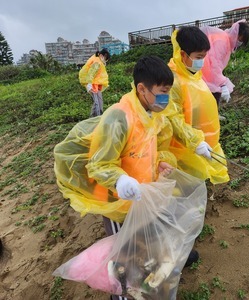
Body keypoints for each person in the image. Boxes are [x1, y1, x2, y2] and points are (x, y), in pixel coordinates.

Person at [55, 55, 183, 300]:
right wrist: (120, 181)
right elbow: (100, 164)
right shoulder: (118, 118)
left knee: (143, 246)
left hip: (142, 195)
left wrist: (160, 162)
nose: (166, 99)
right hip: (118, 202)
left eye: (168, 92)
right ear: (142, 89)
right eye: (162, 93)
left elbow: (147, 150)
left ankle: (143, 284)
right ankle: (122, 294)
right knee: (123, 251)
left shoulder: (152, 112)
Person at [161, 26, 230, 186]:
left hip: (202, 143)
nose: (202, 61)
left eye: (204, 56)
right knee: (184, 186)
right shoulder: (172, 80)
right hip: (181, 148)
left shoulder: (193, 74)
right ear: (183, 54)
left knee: (198, 182)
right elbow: (172, 117)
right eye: (199, 57)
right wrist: (194, 141)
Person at [200, 20, 249, 119]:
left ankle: (212, 114)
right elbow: (215, 63)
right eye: (240, 39)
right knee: (215, 87)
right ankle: (210, 116)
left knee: (215, 88)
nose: (239, 42)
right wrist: (222, 83)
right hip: (203, 66)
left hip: (205, 65)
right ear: (236, 34)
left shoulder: (225, 39)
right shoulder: (222, 41)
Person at [79, 48, 110, 117]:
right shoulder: (97, 62)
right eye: (106, 58)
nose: (105, 60)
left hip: (96, 85)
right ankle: (98, 118)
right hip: (93, 85)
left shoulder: (98, 61)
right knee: (97, 103)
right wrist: (89, 84)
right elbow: (91, 73)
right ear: (102, 55)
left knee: (99, 102)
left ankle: (93, 117)